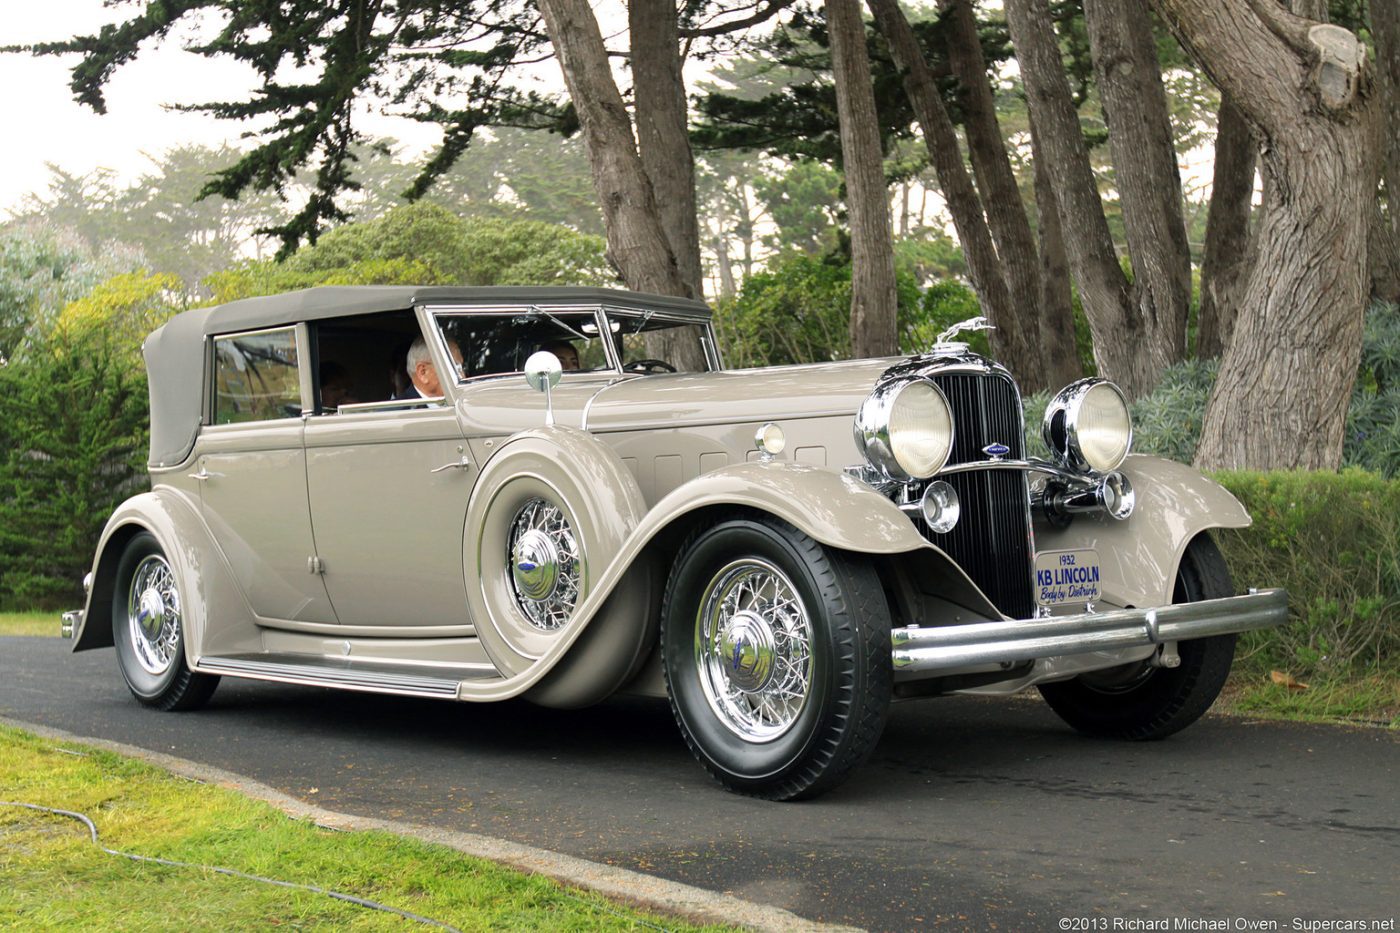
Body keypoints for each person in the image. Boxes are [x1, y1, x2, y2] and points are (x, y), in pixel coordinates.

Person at [395, 336, 463, 400]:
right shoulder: (397, 412)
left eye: (461, 368)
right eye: (455, 368)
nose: (463, 377)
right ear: (423, 372)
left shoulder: (463, 405)